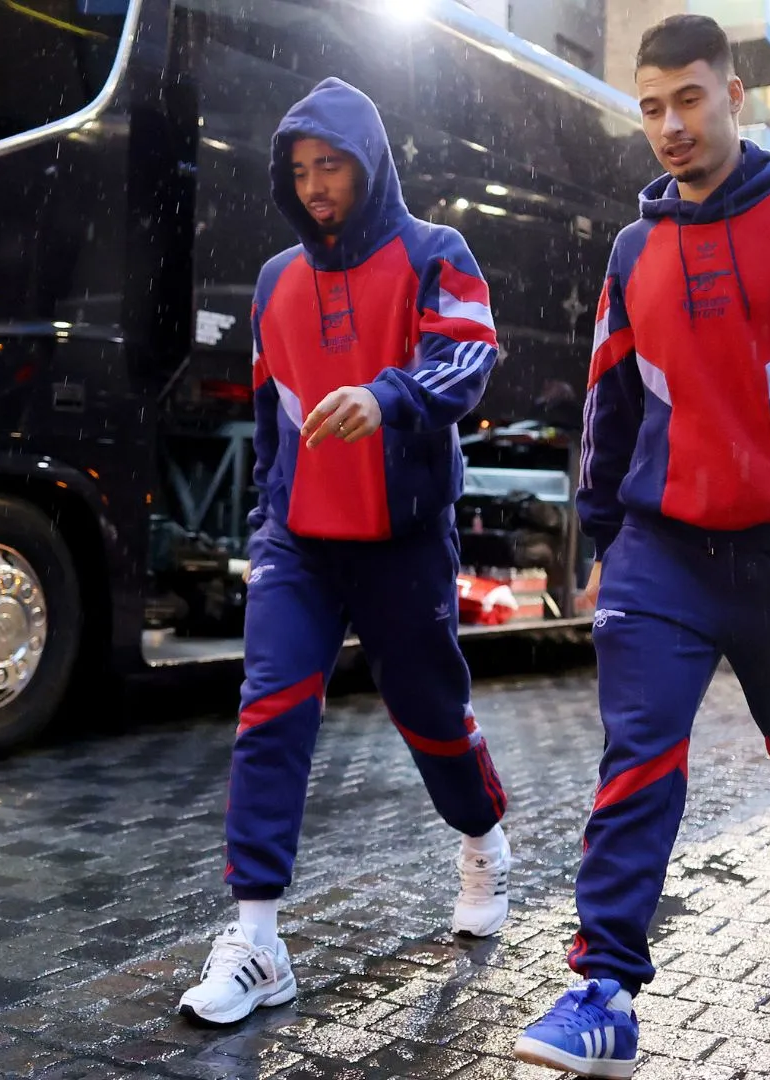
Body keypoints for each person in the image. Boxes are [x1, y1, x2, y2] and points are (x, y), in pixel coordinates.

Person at [514, 16, 770, 1077]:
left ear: (735, 95)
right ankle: (603, 985)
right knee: (637, 759)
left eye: (688, 100)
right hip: (664, 551)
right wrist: (601, 534)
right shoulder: (633, 248)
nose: (670, 126)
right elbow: (608, 397)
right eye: (651, 108)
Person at [177, 78, 512, 1027]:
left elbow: (469, 354)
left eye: (332, 165)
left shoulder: (435, 253)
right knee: (269, 711)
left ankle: (483, 836)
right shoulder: (275, 283)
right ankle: (256, 940)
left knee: (431, 712)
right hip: (298, 542)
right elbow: (268, 425)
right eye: (301, 170)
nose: (317, 185)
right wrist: (262, 529)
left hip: (402, 539)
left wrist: (387, 396)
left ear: (369, 163)